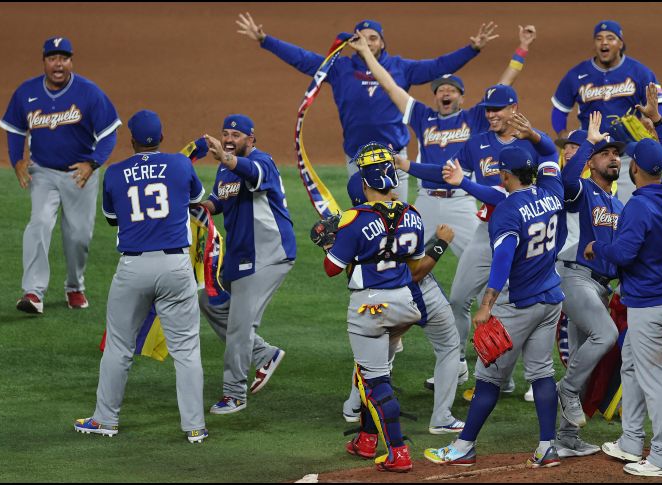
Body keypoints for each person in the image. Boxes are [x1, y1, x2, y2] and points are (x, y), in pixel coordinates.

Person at [398, 85, 558, 395]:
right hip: (488, 232)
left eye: (497, 108)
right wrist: (408, 166)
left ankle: (520, 376)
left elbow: (547, 156)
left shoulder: (532, 143)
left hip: (527, 237)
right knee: (458, 298)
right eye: (487, 109)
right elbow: (447, 172)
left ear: (514, 108)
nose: (490, 115)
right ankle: (455, 364)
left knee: (519, 304)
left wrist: (536, 137)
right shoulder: (478, 143)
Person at [236, 12, 498, 201]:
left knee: (399, 216)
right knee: (366, 217)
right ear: (353, 41)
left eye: (373, 38)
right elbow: (302, 59)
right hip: (356, 157)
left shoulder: (401, 68)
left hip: (394, 156)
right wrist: (265, 39)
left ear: (382, 43)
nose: (368, 42)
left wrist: (472, 49)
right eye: (362, 37)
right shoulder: (339, 68)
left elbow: (439, 66)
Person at [424, 145, 565, 468]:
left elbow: (502, 259)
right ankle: (547, 446)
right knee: (542, 372)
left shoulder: (506, 212)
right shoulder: (551, 193)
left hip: (517, 305)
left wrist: (487, 303)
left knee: (487, 379)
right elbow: (549, 157)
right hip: (551, 299)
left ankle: (463, 446)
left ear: (504, 175)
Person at [74, 110, 207, 443]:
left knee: (119, 347)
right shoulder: (180, 164)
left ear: (131, 140)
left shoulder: (115, 173)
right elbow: (195, 200)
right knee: (187, 350)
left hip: (133, 269)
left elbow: (111, 219)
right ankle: (195, 428)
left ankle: (105, 420)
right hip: (176, 267)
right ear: (161, 137)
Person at [346, 24, 536, 257]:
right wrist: (366, 53)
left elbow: (504, 84)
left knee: (485, 257)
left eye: (452, 90)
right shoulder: (422, 116)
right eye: (440, 89)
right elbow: (389, 85)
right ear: (435, 96)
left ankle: (496, 292)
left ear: (462, 97)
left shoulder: (474, 117)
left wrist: (523, 48)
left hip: (461, 202)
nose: (446, 92)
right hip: (426, 201)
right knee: (400, 255)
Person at [584, 83, 662, 477]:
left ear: (634, 170)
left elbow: (622, 256)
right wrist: (658, 122)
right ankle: (631, 440)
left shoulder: (637, 209)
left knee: (653, 375)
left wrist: (598, 250)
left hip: (650, 304)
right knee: (632, 364)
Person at [0, 36, 121, 314]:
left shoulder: (89, 93)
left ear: (71, 61)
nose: (58, 64)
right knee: (39, 223)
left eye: (64, 58)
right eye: (53, 58)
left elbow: (109, 133)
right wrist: (17, 161)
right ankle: (33, 291)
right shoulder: (26, 93)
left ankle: (75, 286)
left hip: (81, 174)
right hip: (42, 172)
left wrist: (92, 163)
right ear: (44, 62)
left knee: (78, 236)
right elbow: (15, 129)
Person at [322, 143, 425, 472]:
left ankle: (398, 451)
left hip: (370, 308)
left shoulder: (354, 219)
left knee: (374, 380)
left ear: (364, 184)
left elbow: (331, 268)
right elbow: (414, 261)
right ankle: (367, 439)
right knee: (376, 370)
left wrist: (330, 242)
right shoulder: (413, 214)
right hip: (405, 305)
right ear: (393, 179)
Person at [339, 173, 464, 436]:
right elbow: (416, 273)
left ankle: (354, 407)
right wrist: (441, 244)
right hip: (415, 295)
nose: (389, 190)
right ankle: (441, 417)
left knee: (374, 359)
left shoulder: (356, 226)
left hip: (378, 302)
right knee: (449, 345)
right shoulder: (405, 215)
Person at [199, 115, 296, 415]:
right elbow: (218, 201)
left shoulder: (262, 162)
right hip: (240, 256)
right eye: (225, 133)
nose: (229, 138)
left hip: (267, 255)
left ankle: (234, 394)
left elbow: (250, 173)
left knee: (241, 326)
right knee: (210, 300)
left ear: (251, 139)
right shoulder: (224, 169)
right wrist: (199, 208)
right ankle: (263, 353)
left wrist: (226, 157)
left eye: (236, 135)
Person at [553, 112, 626, 458]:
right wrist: (589, 143)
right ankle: (565, 391)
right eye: (605, 153)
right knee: (606, 335)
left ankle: (566, 438)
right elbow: (567, 179)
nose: (613, 157)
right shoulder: (581, 190)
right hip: (573, 276)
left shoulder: (618, 203)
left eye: (616, 154)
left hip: (600, 286)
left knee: (584, 361)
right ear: (592, 162)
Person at [551, 20, 662, 204]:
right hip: (593, 157)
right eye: (599, 38)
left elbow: (659, 105)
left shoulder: (640, 72)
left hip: (629, 155)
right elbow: (559, 110)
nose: (604, 43)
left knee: (632, 207)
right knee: (595, 212)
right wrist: (562, 132)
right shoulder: (577, 74)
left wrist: (653, 121)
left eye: (610, 38)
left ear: (620, 43)